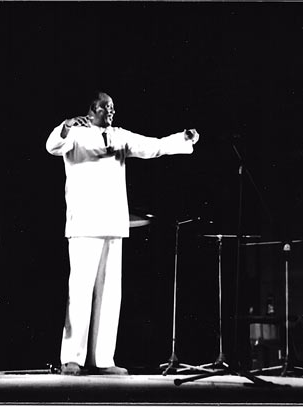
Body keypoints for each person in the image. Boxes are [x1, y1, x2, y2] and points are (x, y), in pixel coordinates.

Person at [46, 92, 199, 375]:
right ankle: (72, 358)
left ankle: (103, 359)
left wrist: (183, 139)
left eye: (113, 107)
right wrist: (66, 126)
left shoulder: (119, 135)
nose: (111, 111)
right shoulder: (76, 135)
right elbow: (53, 145)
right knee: (80, 292)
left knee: (110, 294)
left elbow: (151, 147)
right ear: (92, 110)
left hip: (113, 223)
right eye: (106, 107)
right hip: (84, 224)